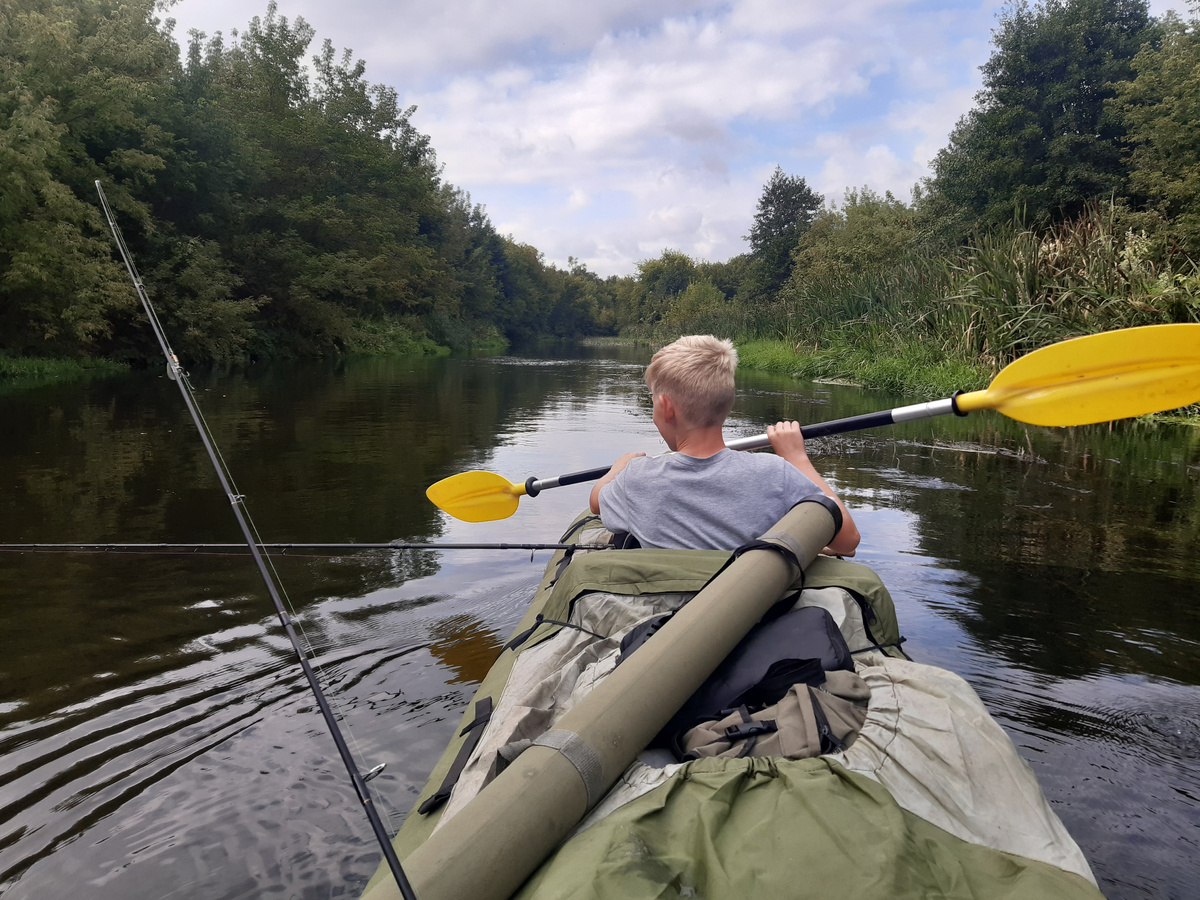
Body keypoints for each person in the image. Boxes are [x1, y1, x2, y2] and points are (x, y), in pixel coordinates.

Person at [589, 335, 860, 555]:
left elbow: (596, 501)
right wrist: (797, 459)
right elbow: (847, 542)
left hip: (663, 615)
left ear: (666, 407)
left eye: (652, 400)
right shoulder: (776, 474)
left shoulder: (637, 477)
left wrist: (619, 468)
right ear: (727, 404)